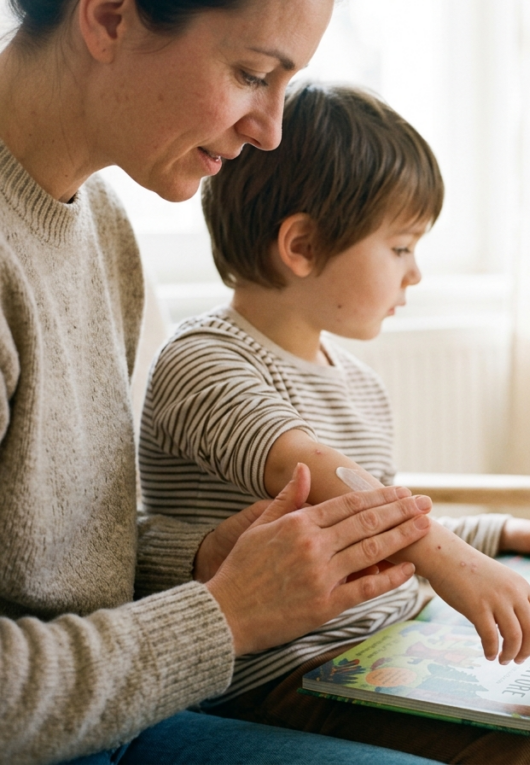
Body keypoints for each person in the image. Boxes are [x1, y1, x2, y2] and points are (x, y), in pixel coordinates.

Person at [138, 83, 530, 765]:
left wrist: (488, 530)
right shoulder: (203, 360)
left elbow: (380, 512)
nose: (415, 273)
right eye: (400, 247)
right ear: (301, 245)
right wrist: (459, 561)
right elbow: (304, 467)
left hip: (386, 646)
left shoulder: (360, 384)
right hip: (274, 676)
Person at [0, 1, 444, 763]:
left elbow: (58, 565)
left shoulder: (101, 225)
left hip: (116, 713)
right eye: (251, 74)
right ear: (109, 17)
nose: (270, 130)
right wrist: (225, 614)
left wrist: (204, 560)